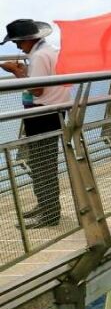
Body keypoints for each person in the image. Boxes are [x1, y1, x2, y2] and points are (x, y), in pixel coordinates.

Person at [1, 19, 74, 227]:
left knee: (43, 165)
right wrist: (25, 72)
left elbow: (37, 89)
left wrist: (17, 73)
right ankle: (45, 205)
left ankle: (50, 213)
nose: (17, 47)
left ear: (28, 40)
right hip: (54, 111)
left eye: (18, 42)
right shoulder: (50, 51)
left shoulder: (40, 56)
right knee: (42, 162)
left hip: (42, 115)